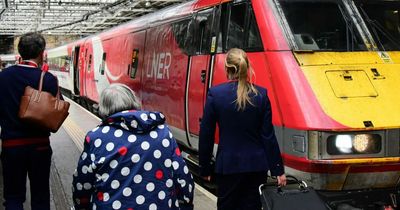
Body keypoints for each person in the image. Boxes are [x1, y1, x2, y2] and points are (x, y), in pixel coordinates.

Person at [72, 84, 194, 210]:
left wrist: (81, 206)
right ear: (134, 101)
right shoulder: (163, 133)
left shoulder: (96, 138)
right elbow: (182, 178)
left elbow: (82, 184)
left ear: (103, 108)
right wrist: (186, 205)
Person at [199, 48, 287, 210]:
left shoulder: (216, 95)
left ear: (227, 69)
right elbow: (268, 136)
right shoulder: (261, 95)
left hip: (228, 167)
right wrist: (278, 169)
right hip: (256, 167)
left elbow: (207, 134)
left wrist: (205, 167)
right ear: (247, 67)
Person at [0, 33, 59, 210]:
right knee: (41, 195)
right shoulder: (48, 79)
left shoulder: (3, 77)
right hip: (39, 147)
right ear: (42, 53)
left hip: (11, 146)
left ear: (20, 53)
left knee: (13, 196)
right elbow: (56, 112)